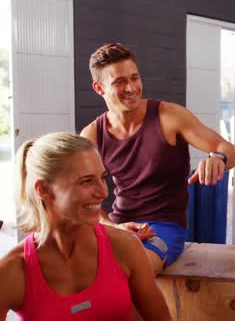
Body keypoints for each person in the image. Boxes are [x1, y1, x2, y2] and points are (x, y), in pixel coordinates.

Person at [81, 43, 235, 274]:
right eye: (119, 82)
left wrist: (218, 157)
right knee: (73, 266)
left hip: (164, 226)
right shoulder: (92, 134)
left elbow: (231, 150)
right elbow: (82, 197)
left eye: (134, 78)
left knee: (136, 269)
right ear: (99, 88)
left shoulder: (168, 116)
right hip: (119, 222)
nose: (131, 87)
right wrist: (112, 227)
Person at [0, 133, 171, 320]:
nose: (103, 192)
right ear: (44, 189)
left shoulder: (125, 246)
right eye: (86, 181)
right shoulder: (13, 270)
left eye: (102, 178)